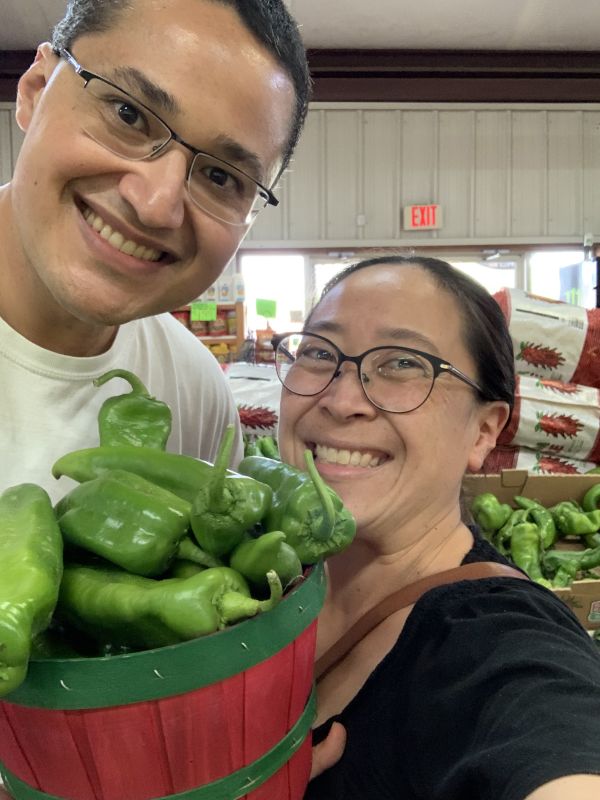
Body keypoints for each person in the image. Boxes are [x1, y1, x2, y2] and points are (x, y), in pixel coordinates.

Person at [272, 255, 600, 799]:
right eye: (318, 352)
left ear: (484, 432)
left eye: (403, 363)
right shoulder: (262, 573)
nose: (342, 399)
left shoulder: (495, 645)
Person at [0, 0, 310, 504]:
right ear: (35, 91)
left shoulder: (194, 392)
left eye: (220, 176)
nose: (156, 205)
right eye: (129, 114)